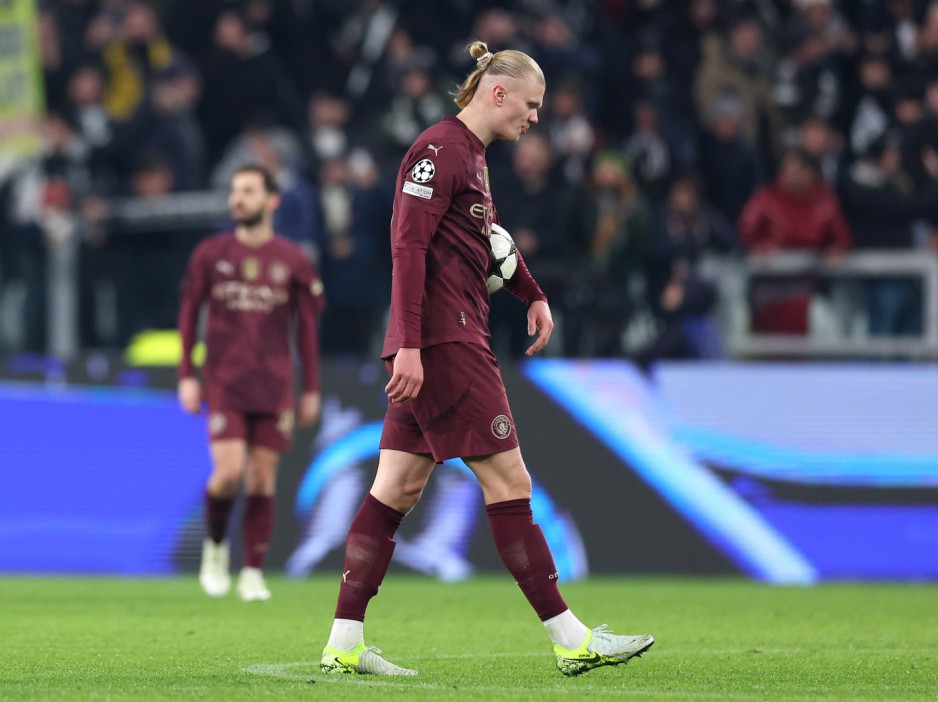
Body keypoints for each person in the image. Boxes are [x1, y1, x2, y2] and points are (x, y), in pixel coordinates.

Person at [318, 41, 654, 678]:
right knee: (511, 485)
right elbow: (408, 248)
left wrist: (531, 292)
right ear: (496, 93)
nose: (535, 119)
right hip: (445, 343)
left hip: (442, 339)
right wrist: (410, 344)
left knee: (395, 487)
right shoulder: (438, 151)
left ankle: (343, 643)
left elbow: (489, 242)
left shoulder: (470, 157)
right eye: (530, 105)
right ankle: (572, 640)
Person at [177, 164, 325, 601]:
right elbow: (189, 315)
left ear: (271, 201)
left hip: (275, 384)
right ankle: (216, 550)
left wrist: (311, 388)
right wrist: (187, 374)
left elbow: (308, 330)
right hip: (224, 382)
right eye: (234, 191)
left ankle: (253, 573)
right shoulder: (209, 253)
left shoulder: (294, 260)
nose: (236, 199)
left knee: (262, 479)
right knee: (228, 474)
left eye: (247, 191)